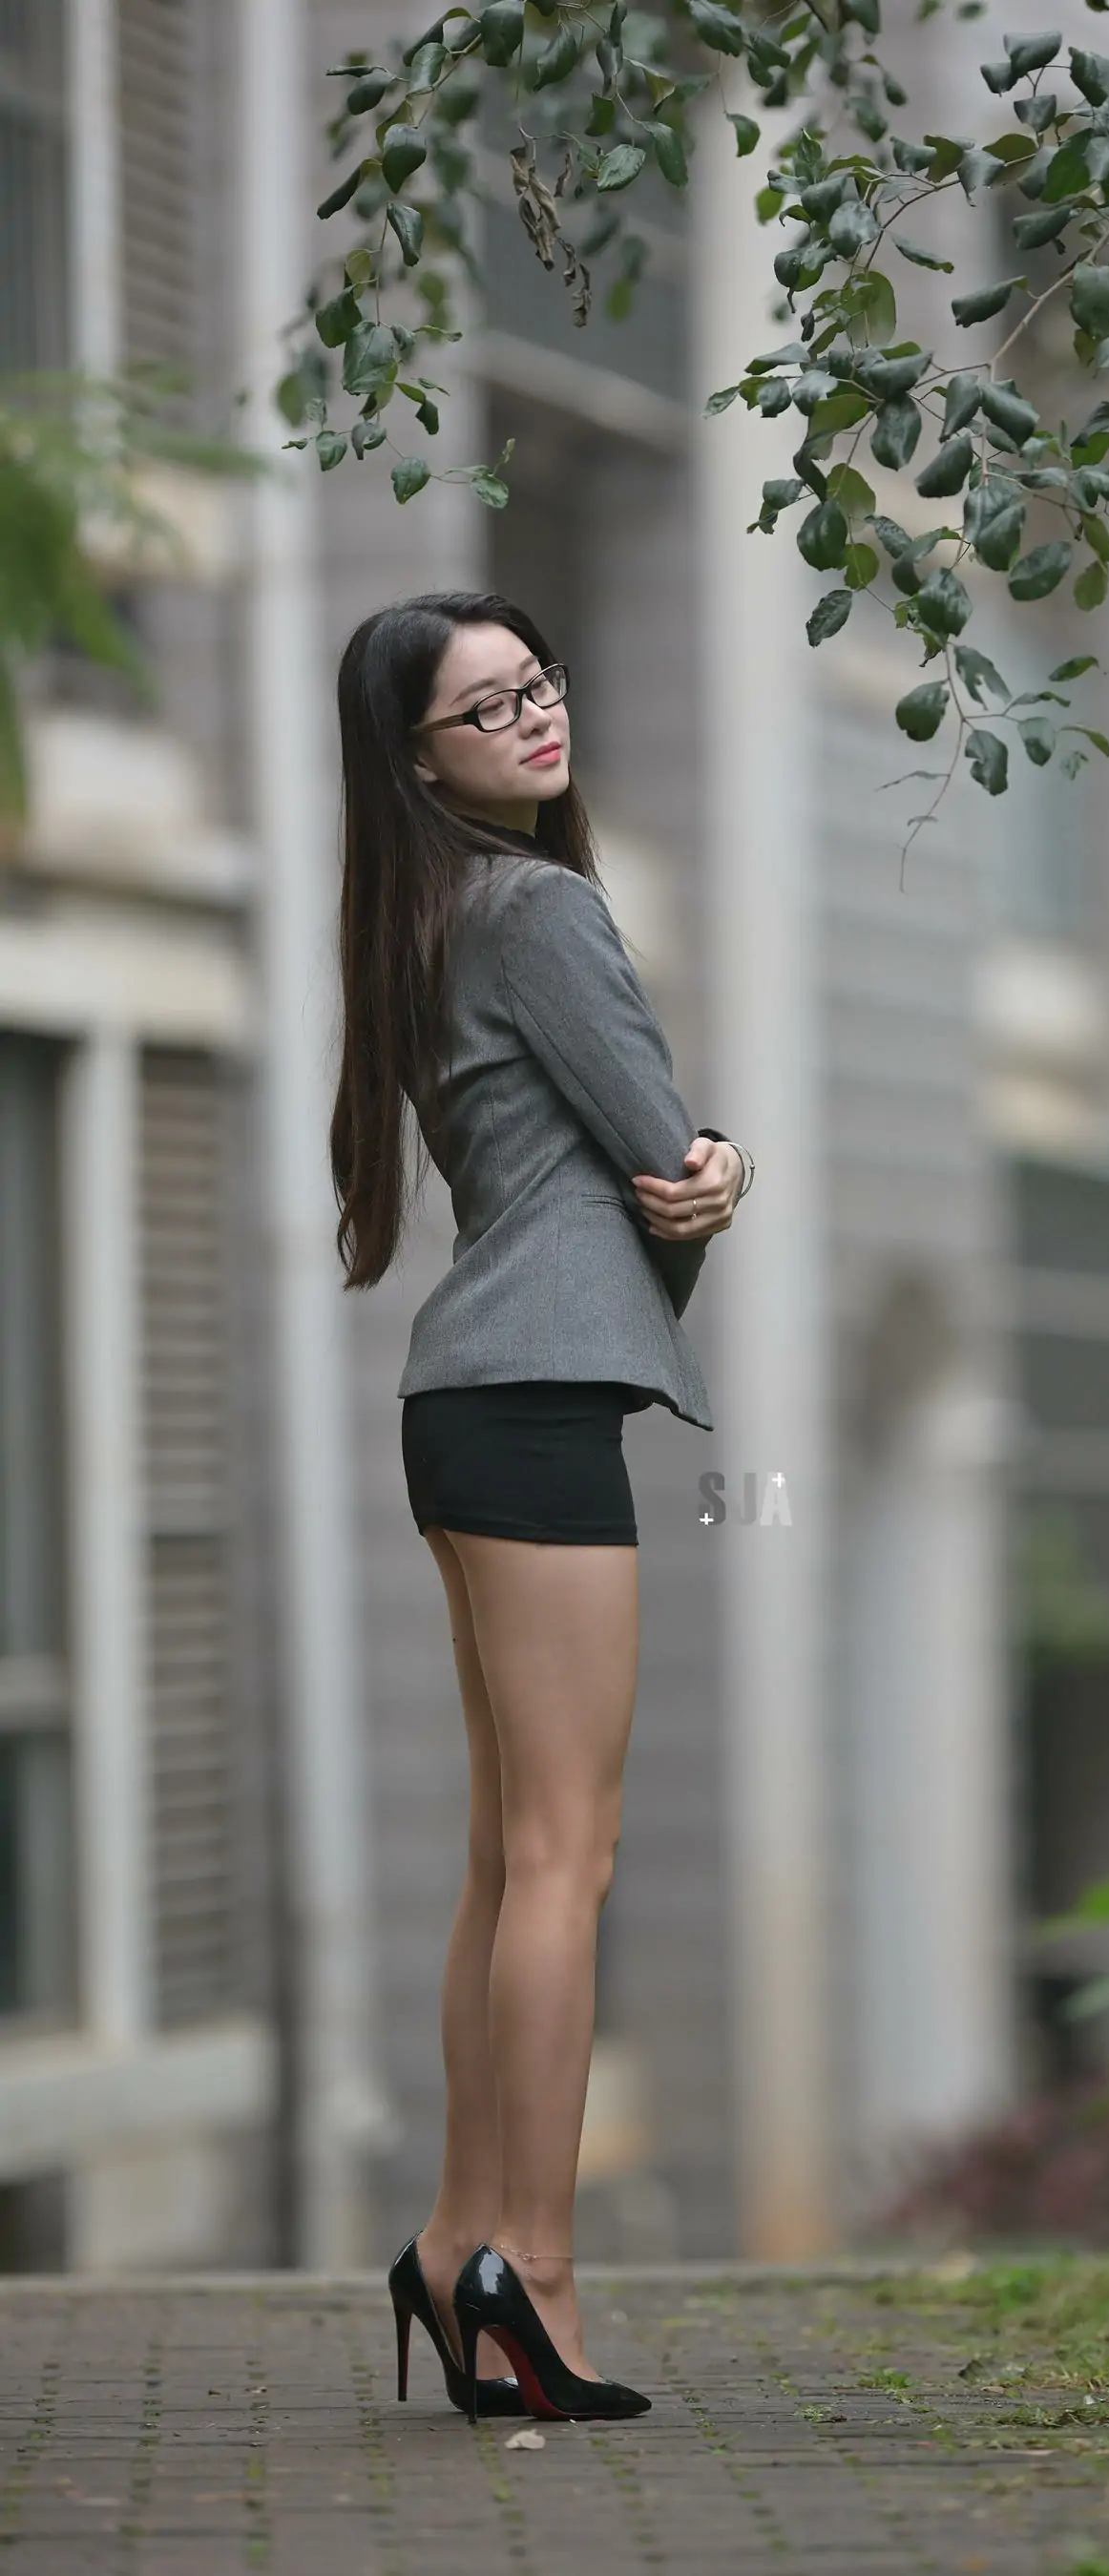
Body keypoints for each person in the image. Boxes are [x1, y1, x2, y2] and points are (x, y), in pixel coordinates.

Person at [328, 590, 751, 2424]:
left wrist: (701, 1171)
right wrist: (724, 1168)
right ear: (420, 761)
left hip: (466, 1407)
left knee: (511, 1855)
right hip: (535, 1407)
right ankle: (540, 2272)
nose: (534, 718)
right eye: (486, 708)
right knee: (569, 1856)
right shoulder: (542, 907)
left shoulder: (423, 918)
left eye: (537, 683)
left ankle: (453, 2244)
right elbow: (666, 1160)